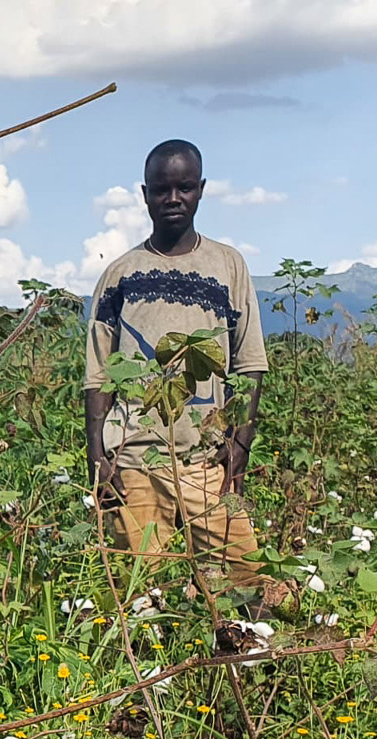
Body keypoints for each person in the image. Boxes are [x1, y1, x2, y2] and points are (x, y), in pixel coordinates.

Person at [84, 139, 267, 588]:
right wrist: (97, 456)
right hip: (132, 463)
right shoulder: (121, 274)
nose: (173, 199)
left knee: (248, 581)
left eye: (184, 187)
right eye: (161, 189)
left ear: (201, 189)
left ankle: (254, 657)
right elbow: (99, 374)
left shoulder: (228, 266)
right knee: (145, 594)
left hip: (204, 461)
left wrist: (238, 449)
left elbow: (250, 364)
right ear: (144, 193)